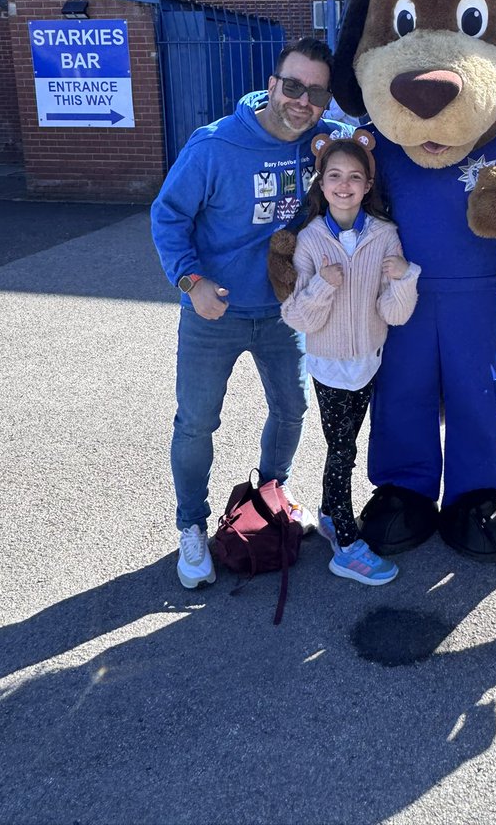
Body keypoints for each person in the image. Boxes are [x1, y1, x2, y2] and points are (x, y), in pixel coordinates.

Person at [151, 37, 344, 589]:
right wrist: (191, 281)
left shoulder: (320, 143)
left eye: (315, 92)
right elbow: (168, 218)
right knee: (196, 422)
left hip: (286, 313)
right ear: (273, 82)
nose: (301, 101)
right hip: (216, 311)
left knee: (291, 408)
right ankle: (192, 524)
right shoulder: (214, 146)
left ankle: (270, 497)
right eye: (292, 86)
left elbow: (359, 149)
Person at [280, 133, 420, 585]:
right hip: (328, 364)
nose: (344, 185)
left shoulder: (385, 236)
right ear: (321, 184)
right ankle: (344, 541)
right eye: (334, 176)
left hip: (368, 362)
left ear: (367, 185)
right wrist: (323, 283)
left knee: (347, 442)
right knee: (342, 449)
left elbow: (395, 314)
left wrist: (406, 277)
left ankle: (326, 510)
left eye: (354, 177)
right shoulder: (309, 241)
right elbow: (297, 316)